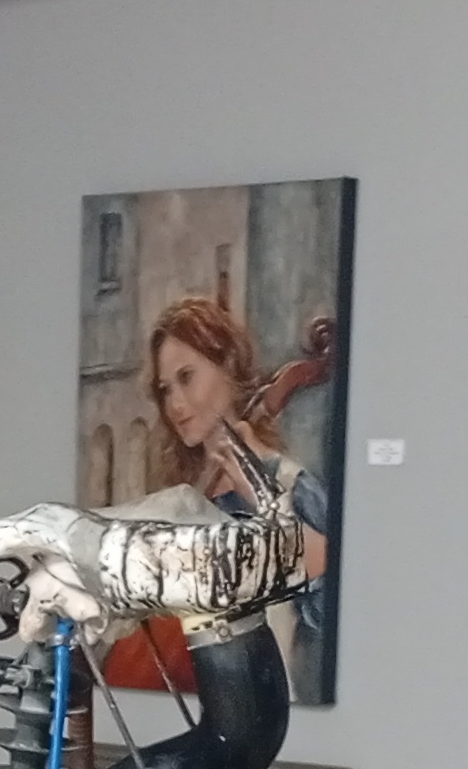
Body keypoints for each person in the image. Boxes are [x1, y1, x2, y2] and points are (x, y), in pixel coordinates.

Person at [99, 297, 336, 694]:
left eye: (187, 377)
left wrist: (261, 499)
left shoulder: (291, 485)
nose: (175, 404)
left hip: (254, 699)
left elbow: (334, 606)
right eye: (165, 389)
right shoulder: (188, 495)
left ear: (227, 366)